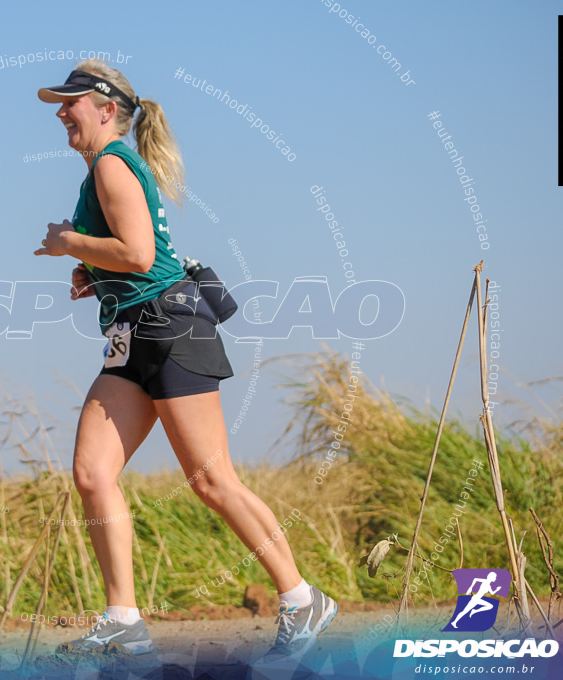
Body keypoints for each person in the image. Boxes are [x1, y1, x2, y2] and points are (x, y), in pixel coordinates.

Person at [33, 60, 336, 658]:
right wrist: (92, 271)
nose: (61, 113)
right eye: (59, 104)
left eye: (70, 103)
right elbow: (132, 255)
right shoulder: (104, 168)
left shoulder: (114, 164)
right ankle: (123, 618)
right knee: (93, 474)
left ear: (105, 108)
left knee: (211, 481)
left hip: (170, 328)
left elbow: (143, 255)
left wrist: (70, 242)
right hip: (133, 332)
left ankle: (304, 600)